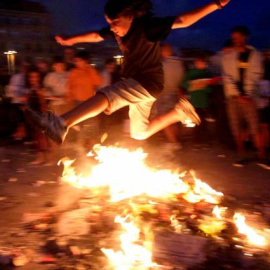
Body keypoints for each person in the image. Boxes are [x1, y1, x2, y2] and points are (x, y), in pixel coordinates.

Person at [26, 0, 231, 147]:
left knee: (107, 95)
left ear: (130, 16)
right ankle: (178, 113)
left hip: (145, 82)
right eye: (110, 23)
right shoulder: (116, 29)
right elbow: (96, 35)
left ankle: (61, 123)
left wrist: (216, 4)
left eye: (116, 22)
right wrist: (72, 40)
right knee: (139, 133)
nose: (113, 28)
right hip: (142, 86)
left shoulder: (147, 26)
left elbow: (183, 20)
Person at [222, 26, 269, 169]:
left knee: (254, 125)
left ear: (245, 37)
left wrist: (247, 94)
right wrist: (238, 94)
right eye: (233, 37)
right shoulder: (228, 56)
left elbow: (256, 75)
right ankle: (241, 155)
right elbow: (227, 77)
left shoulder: (254, 55)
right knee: (236, 126)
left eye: (238, 37)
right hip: (232, 96)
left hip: (250, 97)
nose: (235, 40)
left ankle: (261, 155)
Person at [67, 50, 102, 150]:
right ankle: (82, 149)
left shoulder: (90, 70)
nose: (77, 63)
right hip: (77, 103)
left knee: (91, 126)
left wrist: (89, 69)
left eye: (79, 61)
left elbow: (98, 81)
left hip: (89, 103)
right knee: (80, 127)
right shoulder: (74, 72)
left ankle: (94, 148)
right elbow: (70, 87)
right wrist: (70, 99)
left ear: (85, 61)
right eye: (76, 61)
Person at [154, 43, 185, 150]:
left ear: (164, 51)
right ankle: (175, 140)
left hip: (164, 94)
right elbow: (182, 78)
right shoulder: (178, 63)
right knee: (174, 118)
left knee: (163, 119)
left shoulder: (162, 64)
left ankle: (173, 142)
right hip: (175, 93)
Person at [182, 52, 214, 146]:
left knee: (203, 122)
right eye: (197, 62)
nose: (199, 64)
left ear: (205, 63)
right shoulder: (191, 73)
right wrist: (191, 84)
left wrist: (204, 86)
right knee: (195, 122)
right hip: (194, 101)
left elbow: (210, 89)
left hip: (203, 102)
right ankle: (195, 141)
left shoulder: (207, 74)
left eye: (201, 62)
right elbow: (184, 85)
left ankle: (203, 141)